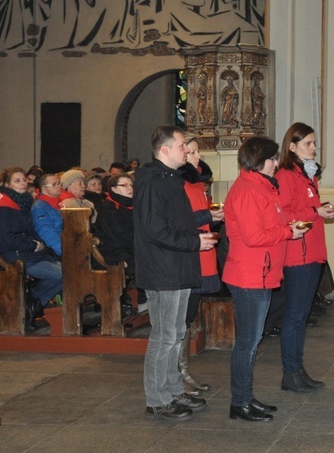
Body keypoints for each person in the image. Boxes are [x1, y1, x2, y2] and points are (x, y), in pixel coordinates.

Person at [135, 125, 217, 421]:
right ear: (165, 149)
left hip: (179, 264)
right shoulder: (152, 180)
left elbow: (177, 222)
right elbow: (154, 229)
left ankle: (172, 390)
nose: (187, 149)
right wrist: (194, 241)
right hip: (163, 268)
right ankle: (157, 399)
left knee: (176, 332)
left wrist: (197, 236)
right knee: (164, 336)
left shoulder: (171, 178)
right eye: (183, 145)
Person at [223, 136, 308, 423]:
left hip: (261, 272)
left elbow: (267, 224)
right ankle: (239, 403)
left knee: (253, 340)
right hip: (249, 275)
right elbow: (253, 236)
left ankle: (246, 397)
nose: (276, 164)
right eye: (272, 159)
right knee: (247, 342)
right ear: (260, 161)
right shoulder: (248, 190)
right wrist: (287, 233)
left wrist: (286, 226)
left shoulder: (262, 187)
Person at [275, 122, 334, 393]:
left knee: (301, 316)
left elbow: (306, 207)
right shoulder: (286, 175)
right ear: (292, 147)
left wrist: (319, 208)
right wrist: (317, 213)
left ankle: (297, 370)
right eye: (307, 144)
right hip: (297, 255)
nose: (314, 148)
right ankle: (290, 374)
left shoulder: (308, 175)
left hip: (312, 252)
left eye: (314, 143)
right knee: (294, 316)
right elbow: (284, 214)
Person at [180, 134, 224, 396]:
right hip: (189, 256)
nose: (199, 157)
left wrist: (214, 217)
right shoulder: (179, 185)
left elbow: (199, 218)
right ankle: (178, 374)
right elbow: (181, 220)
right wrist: (209, 214)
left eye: (198, 152)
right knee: (181, 319)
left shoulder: (197, 185)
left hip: (202, 252)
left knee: (187, 317)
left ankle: (184, 371)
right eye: (193, 152)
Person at [0, 167, 63, 330]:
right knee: (61, 274)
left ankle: (29, 306)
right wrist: (33, 245)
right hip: (13, 254)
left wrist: (40, 245)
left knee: (66, 270)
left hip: (28, 251)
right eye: (17, 181)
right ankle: (29, 305)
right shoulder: (4, 204)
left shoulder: (24, 201)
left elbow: (32, 230)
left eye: (24, 180)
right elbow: (7, 239)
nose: (22, 184)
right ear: (6, 184)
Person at [95, 173, 147, 314]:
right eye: (124, 185)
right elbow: (118, 235)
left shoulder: (134, 205)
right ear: (113, 189)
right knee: (146, 260)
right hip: (114, 251)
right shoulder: (108, 207)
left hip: (131, 247)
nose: (129, 188)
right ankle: (144, 300)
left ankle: (147, 299)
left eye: (131, 185)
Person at [31, 173, 64, 257]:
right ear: (44, 188)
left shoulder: (60, 204)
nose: (59, 186)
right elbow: (47, 233)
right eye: (54, 184)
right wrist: (65, 251)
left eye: (59, 183)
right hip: (55, 251)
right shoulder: (39, 207)